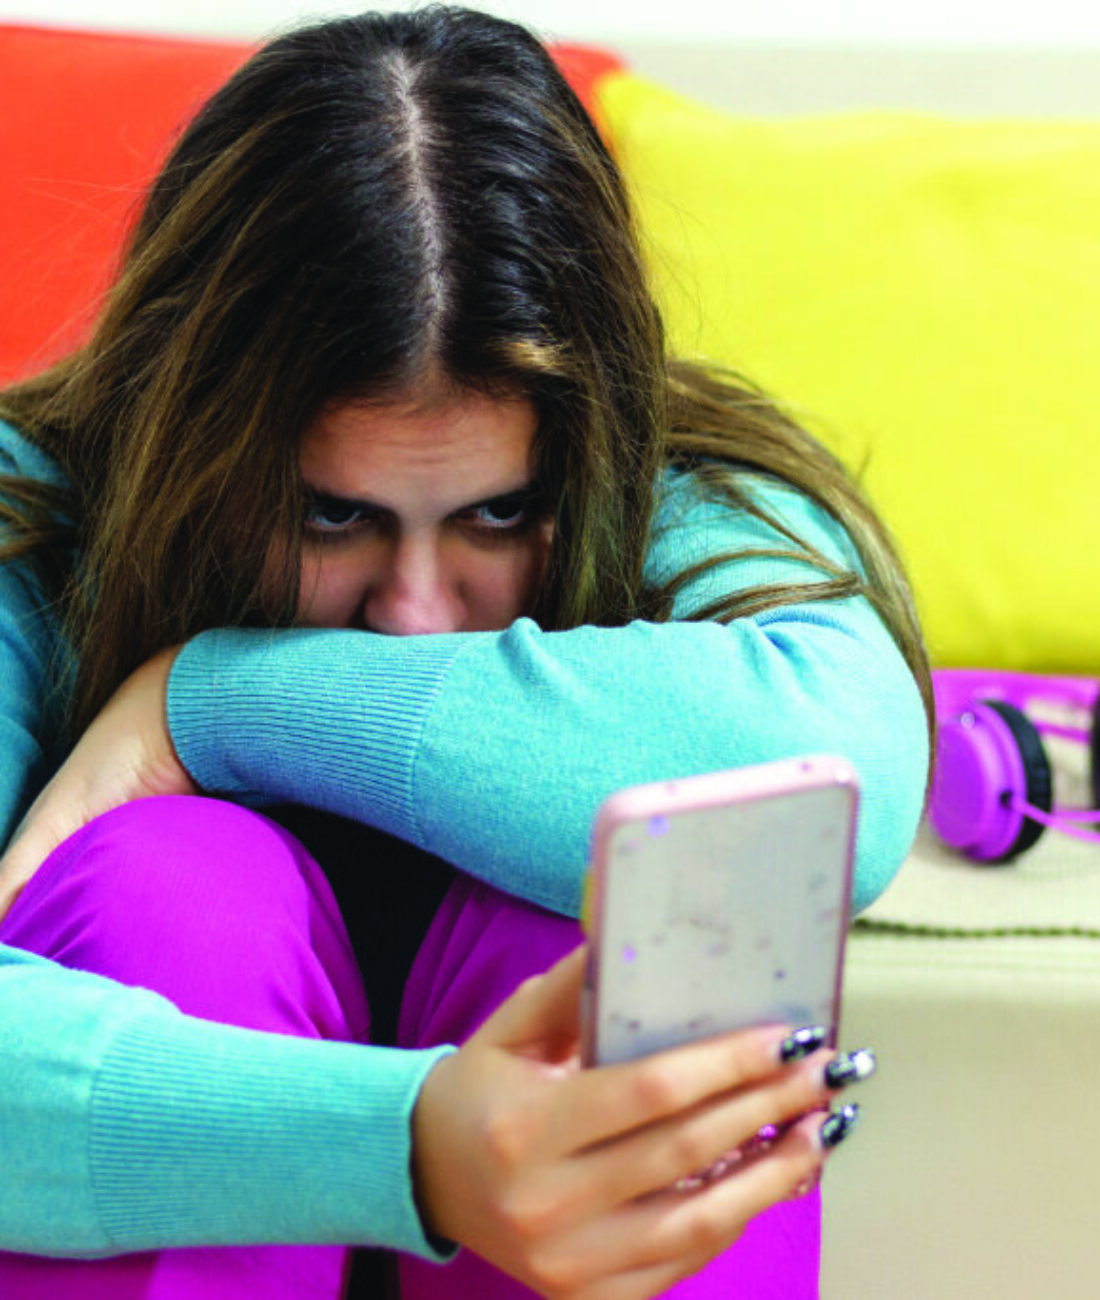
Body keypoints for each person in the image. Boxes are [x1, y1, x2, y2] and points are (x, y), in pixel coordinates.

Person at [0, 5, 931, 1297]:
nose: (419, 609)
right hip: (186, 1113)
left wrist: (199, 702)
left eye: (500, 512)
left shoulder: (682, 486)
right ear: (191, 437)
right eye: (332, 513)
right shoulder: (30, 516)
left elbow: (837, 778)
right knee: (176, 885)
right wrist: (411, 1145)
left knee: (640, 887)